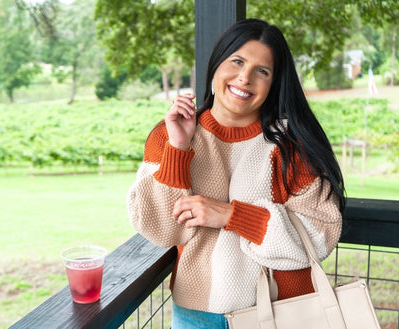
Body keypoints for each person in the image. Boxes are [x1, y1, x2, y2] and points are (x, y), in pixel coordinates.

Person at [126, 18, 345, 329]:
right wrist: (179, 147)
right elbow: (161, 230)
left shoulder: (293, 146)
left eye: (262, 71)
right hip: (197, 315)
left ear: (274, 82)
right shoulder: (168, 135)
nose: (244, 78)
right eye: (237, 61)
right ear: (217, 64)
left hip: (284, 313)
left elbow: (320, 235)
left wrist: (233, 216)